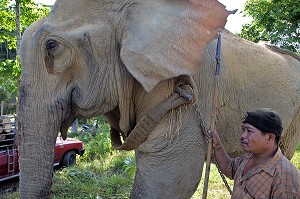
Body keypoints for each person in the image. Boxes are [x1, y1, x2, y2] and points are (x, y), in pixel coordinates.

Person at [206, 108, 300, 198]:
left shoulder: (286, 177)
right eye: (243, 130)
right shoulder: (249, 158)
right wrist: (218, 146)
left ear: (270, 137)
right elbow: (230, 168)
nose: (242, 136)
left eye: (249, 131)